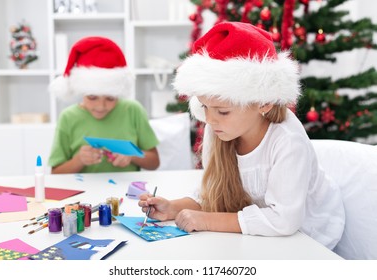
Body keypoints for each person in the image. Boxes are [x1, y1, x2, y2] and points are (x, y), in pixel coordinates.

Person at [139, 22, 345, 250]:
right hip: (257, 235)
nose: (210, 119)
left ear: (264, 101)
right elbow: (213, 196)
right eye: (205, 106)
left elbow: (284, 220)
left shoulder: (287, 139)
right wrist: (173, 207)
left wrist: (206, 220)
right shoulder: (218, 128)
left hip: (307, 236)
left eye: (223, 111)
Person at [48, 36, 160, 174]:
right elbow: (55, 173)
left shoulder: (133, 110)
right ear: (81, 91)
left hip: (125, 189)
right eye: (92, 97)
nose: (101, 106)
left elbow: (154, 162)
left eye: (110, 98)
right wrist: (79, 160)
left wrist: (132, 156)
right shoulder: (68, 117)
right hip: (83, 191)